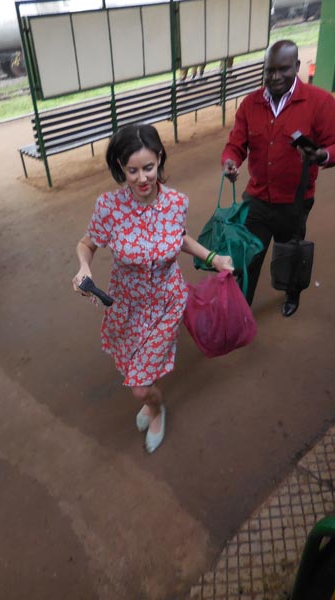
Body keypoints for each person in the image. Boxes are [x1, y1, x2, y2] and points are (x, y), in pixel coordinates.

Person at [72, 124, 233, 454]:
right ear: (120, 167)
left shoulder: (176, 202)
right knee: (137, 366)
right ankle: (150, 402)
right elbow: (87, 244)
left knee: (140, 386)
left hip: (166, 302)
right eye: (132, 171)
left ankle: (155, 409)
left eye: (148, 168)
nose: (142, 179)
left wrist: (213, 257)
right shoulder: (108, 207)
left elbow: (179, 238)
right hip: (126, 304)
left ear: (159, 159)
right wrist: (83, 267)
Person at [222, 40, 335, 316]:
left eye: (283, 69)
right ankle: (242, 307)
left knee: (290, 252)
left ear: (297, 67)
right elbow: (236, 144)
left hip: (295, 201)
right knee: (248, 256)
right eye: (269, 70)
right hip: (256, 199)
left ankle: (292, 294)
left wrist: (322, 155)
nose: (275, 77)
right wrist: (230, 162)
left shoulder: (319, 102)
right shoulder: (250, 104)